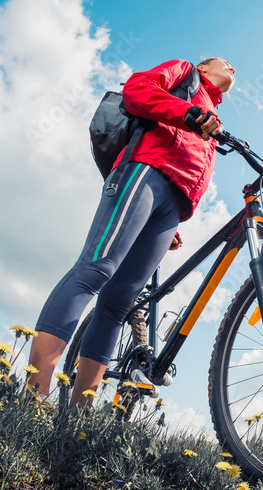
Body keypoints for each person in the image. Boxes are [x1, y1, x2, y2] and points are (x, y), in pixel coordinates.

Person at [26, 57, 236, 406]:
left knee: (119, 303)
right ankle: (32, 397)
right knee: (95, 270)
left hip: (173, 205)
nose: (233, 68)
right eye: (225, 62)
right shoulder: (186, 74)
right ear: (204, 66)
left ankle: (77, 417)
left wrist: (168, 222)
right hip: (146, 171)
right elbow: (137, 90)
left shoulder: (212, 114)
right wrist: (187, 113)